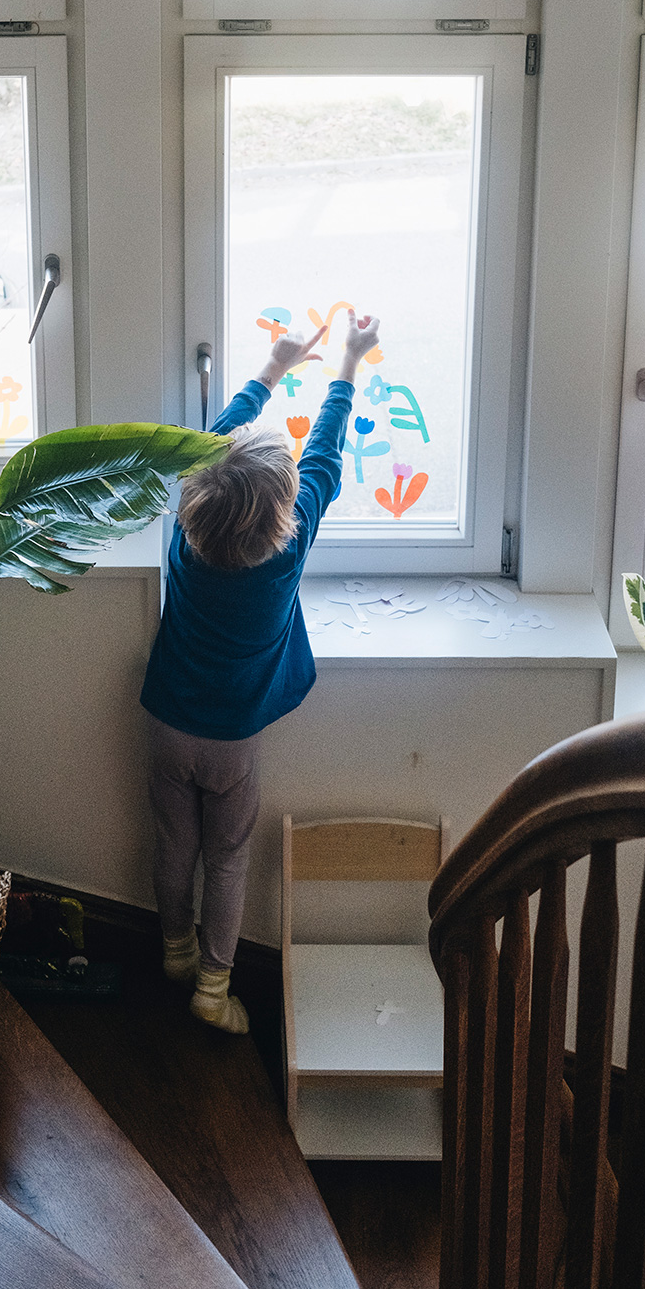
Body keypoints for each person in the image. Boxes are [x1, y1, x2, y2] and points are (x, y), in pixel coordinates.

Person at [140, 308, 381, 1032]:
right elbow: (326, 456)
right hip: (232, 743)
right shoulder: (289, 548)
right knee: (229, 858)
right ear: (282, 513)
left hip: (166, 724)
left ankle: (173, 951)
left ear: (196, 496)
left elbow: (208, 442)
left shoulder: (185, 543)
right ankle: (212, 990)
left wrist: (272, 369)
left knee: (173, 843)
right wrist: (348, 362)